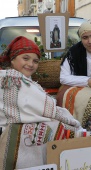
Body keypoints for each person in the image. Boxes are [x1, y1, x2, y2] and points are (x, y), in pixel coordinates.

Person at [0, 36, 82, 169]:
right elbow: (49, 109)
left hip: (7, 132)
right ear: (13, 59)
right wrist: (74, 124)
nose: (31, 64)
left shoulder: (15, 78)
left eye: (35, 61)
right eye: (25, 58)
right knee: (63, 130)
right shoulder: (14, 81)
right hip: (10, 136)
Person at [56, 19, 91, 126]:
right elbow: (63, 77)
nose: (90, 41)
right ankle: (74, 127)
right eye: (85, 38)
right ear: (81, 39)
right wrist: (87, 81)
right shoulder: (74, 52)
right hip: (81, 88)